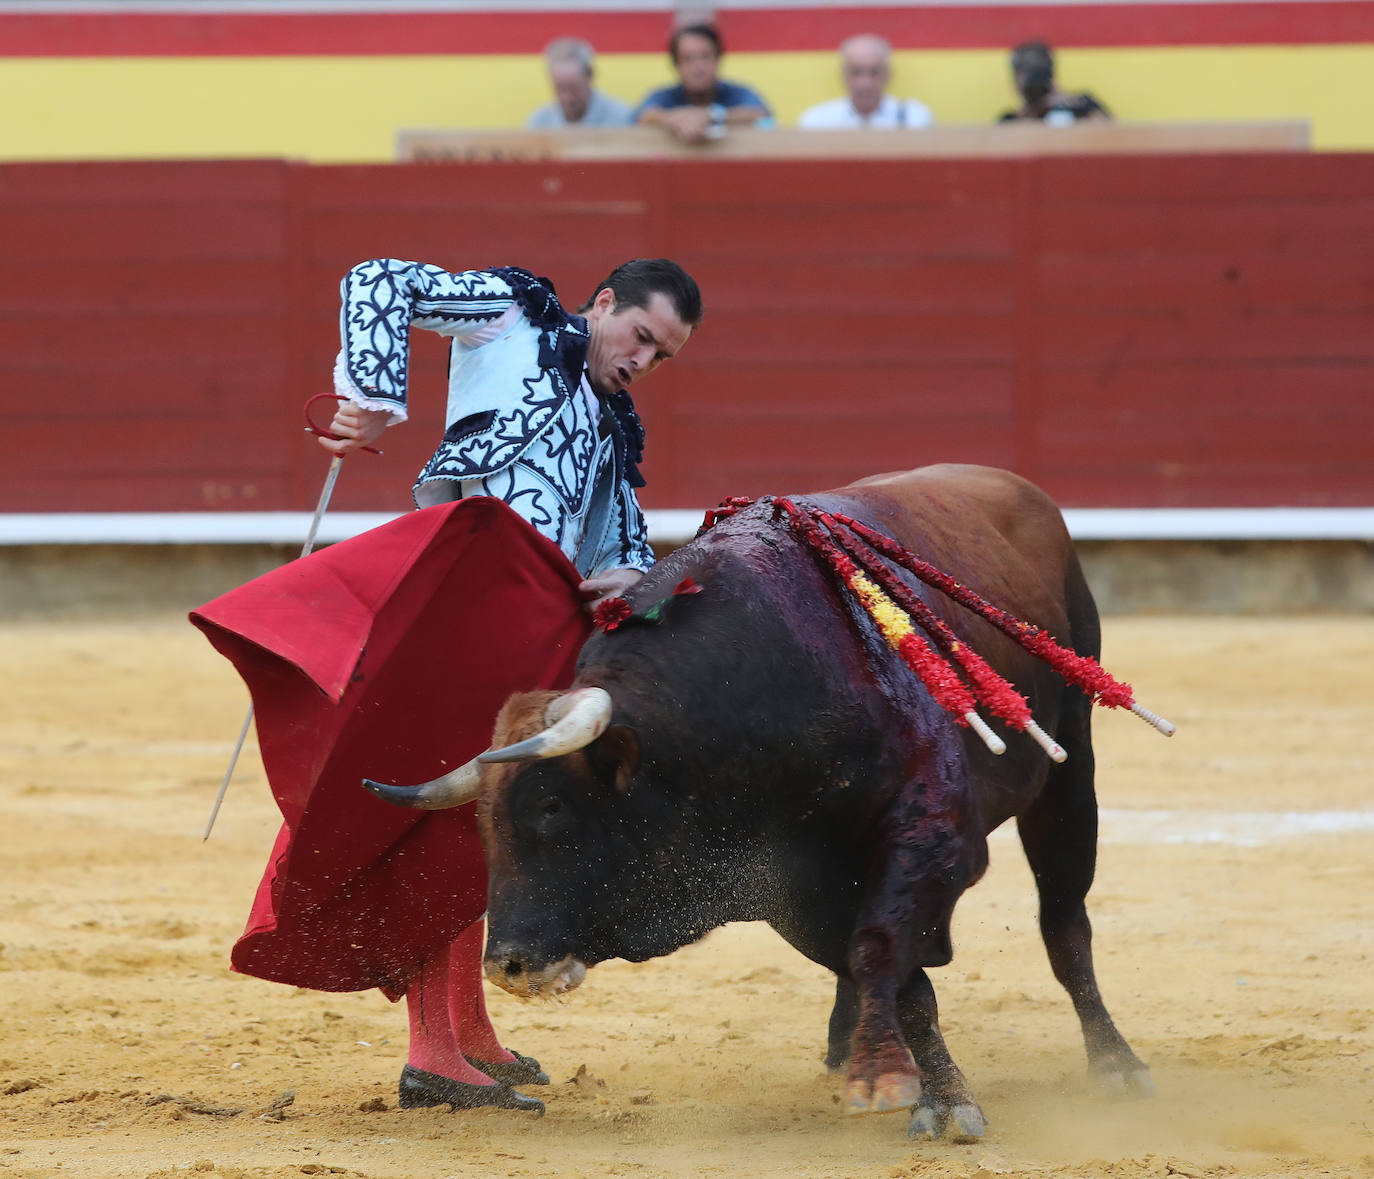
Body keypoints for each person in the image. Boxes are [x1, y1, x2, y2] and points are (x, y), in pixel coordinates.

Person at [303, 258, 702, 1112]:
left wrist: (627, 573)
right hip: (458, 599)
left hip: (526, 628)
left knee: (491, 816)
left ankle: (469, 1030)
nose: (642, 362)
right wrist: (373, 392)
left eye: (662, 356)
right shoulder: (511, 317)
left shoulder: (612, 420)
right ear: (603, 305)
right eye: (639, 337)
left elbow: (618, 538)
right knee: (449, 820)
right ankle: (431, 1052)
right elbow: (378, 278)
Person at [634, 22, 772, 144]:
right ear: (676, 65)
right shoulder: (664, 95)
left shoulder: (739, 93)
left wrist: (713, 114)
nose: (698, 67)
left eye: (705, 56)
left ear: (718, 59)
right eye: (688, 59)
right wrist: (673, 118)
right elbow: (644, 116)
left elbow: (761, 114)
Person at [797, 34, 934, 130]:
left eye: (874, 72)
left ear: (888, 75)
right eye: (856, 72)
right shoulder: (817, 121)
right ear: (843, 75)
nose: (865, 83)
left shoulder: (913, 117)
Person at [526, 36, 634, 128]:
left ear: (590, 75)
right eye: (560, 88)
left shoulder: (623, 120)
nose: (567, 98)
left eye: (574, 88)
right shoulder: (540, 123)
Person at [998, 40, 1110, 125]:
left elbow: (1110, 133)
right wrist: (1030, 114)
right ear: (1016, 83)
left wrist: (1072, 105)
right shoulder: (1009, 122)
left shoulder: (1081, 106)